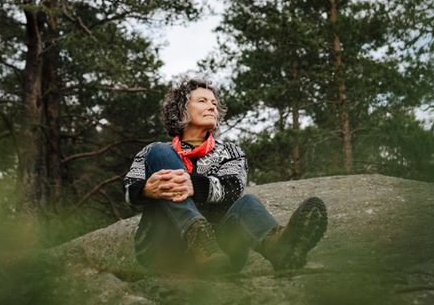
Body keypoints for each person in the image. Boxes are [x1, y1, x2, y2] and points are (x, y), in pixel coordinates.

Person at [123, 77, 327, 275]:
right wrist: (145, 191)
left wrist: (196, 186)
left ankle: (278, 247)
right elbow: (128, 192)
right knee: (160, 152)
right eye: (202, 101)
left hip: (219, 253)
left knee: (247, 201)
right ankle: (197, 237)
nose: (212, 107)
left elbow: (233, 187)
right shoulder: (154, 152)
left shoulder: (231, 152)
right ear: (181, 109)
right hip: (164, 247)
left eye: (214, 103)